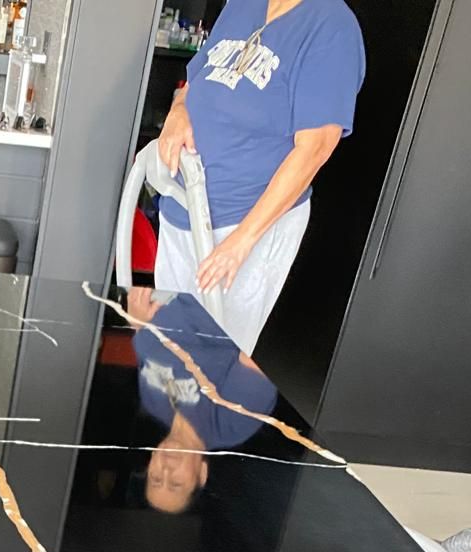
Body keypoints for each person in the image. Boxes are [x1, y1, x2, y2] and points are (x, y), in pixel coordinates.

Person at [156, 0, 365, 352]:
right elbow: (196, 81)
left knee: (211, 363)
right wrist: (178, 112)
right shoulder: (243, 4)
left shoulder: (332, 28)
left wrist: (241, 242)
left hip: (242, 225)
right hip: (183, 209)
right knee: (167, 348)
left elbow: (315, 149)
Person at [127, 287, 278, 513]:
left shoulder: (153, 403)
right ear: (202, 474)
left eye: (156, 478)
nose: (166, 470)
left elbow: (147, 348)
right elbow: (263, 338)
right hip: (225, 291)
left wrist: (137, 324)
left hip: (169, 291)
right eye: (176, 484)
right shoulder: (230, 424)